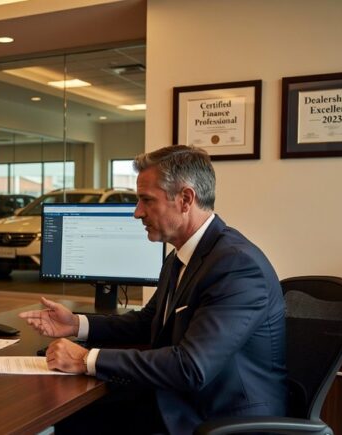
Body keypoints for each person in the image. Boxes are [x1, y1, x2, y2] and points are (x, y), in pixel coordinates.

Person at [19, 145, 286, 434]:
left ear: (185, 199)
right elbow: (149, 322)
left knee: (81, 420)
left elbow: (190, 367)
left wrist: (86, 359)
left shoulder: (236, 265)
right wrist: (76, 324)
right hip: (181, 400)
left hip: (218, 418)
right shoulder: (182, 256)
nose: (137, 213)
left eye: (146, 200)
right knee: (74, 418)